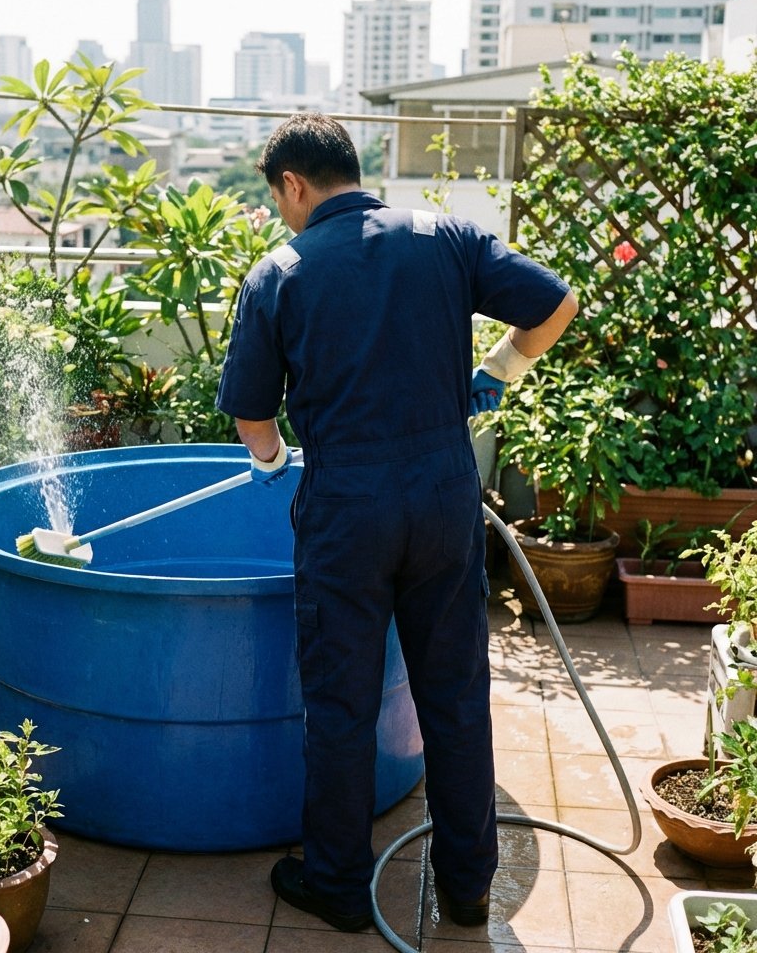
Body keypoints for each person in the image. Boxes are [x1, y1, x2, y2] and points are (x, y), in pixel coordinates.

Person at [215, 112, 578, 931]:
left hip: (348, 509)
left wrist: (276, 469)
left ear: (294, 184)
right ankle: (468, 890)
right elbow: (557, 303)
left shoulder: (280, 270)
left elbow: (252, 417)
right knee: (454, 694)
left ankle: (339, 885)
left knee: (341, 703)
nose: (282, 213)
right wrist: (502, 367)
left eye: (279, 198)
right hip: (445, 496)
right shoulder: (444, 234)